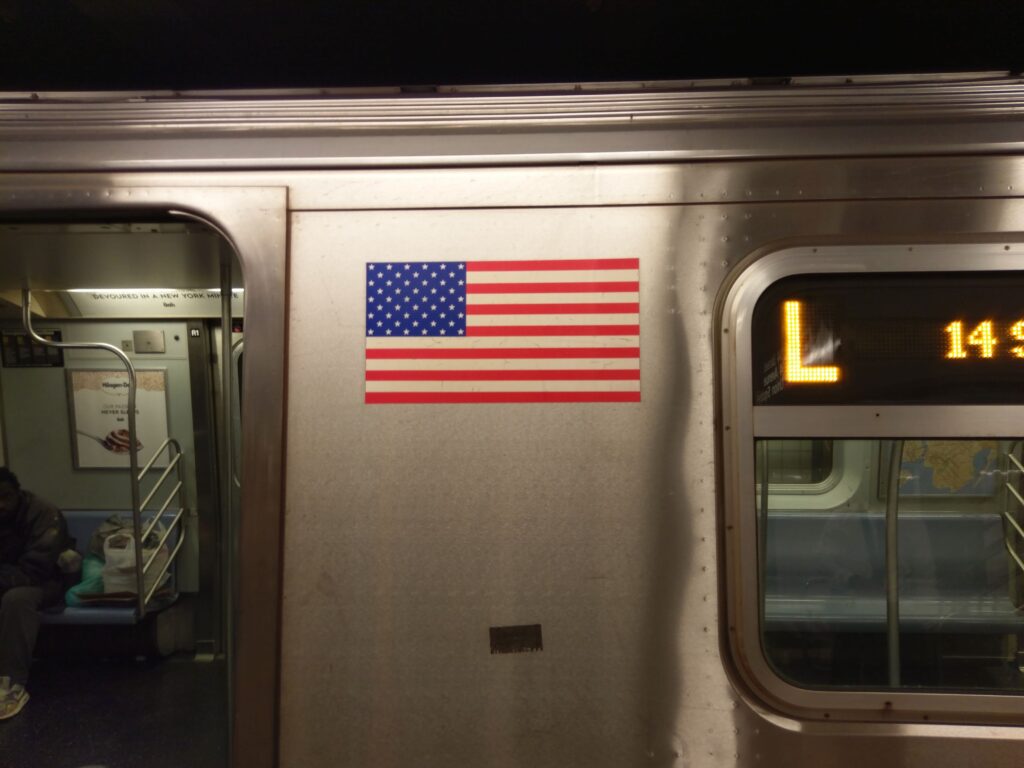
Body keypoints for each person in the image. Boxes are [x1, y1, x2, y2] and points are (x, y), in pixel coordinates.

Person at [0, 467, 71, 719]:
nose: (1, 505)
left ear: (18, 493)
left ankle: (11, 684)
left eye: (6, 497)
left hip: (46, 581)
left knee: (16, 600)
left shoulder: (43, 513)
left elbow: (36, 568)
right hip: (9, 577)